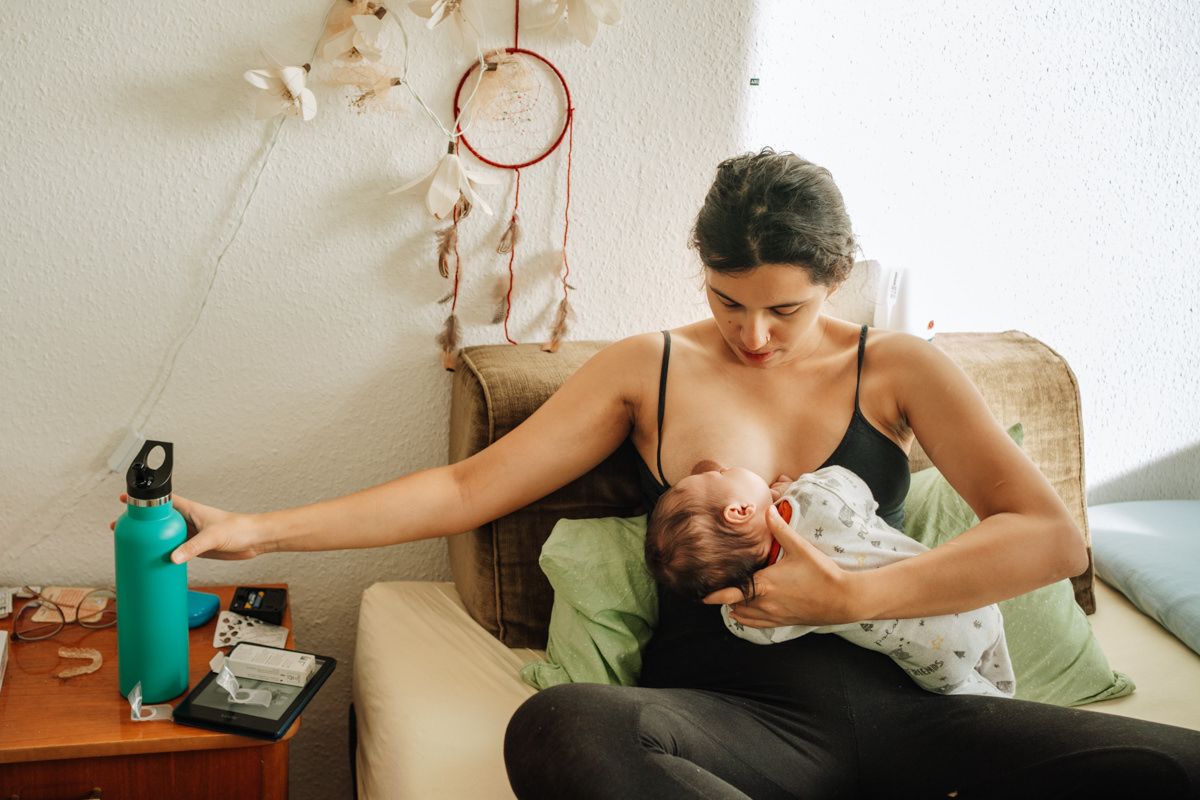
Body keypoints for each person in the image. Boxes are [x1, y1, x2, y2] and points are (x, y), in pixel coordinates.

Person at [134, 149, 1200, 797]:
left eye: (784, 309)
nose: (752, 334)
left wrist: (850, 595)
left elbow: (1049, 538)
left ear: (838, 276)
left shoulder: (898, 369)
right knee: (562, 726)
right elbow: (464, 490)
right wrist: (260, 528)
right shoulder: (646, 368)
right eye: (728, 301)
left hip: (920, 719)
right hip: (732, 721)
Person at [645, 463, 1016, 698]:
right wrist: (798, 487)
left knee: (983, 693)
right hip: (963, 602)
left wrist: (730, 596)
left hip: (936, 668)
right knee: (998, 657)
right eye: (723, 474)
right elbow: (856, 488)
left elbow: (741, 624)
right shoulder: (814, 498)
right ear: (739, 510)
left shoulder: (763, 608)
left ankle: (1001, 695)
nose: (724, 468)